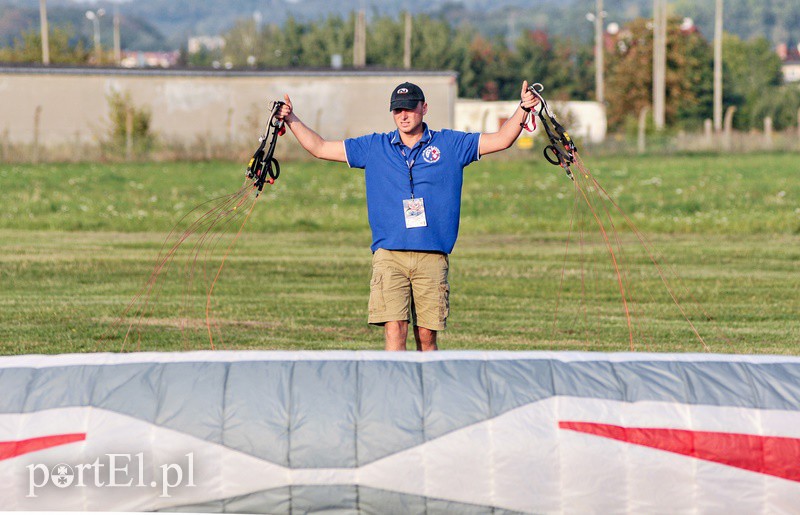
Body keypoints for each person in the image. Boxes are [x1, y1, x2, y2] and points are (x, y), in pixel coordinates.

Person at [277, 80, 539, 351]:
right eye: (397, 110)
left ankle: (428, 390)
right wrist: (291, 118)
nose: (403, 115)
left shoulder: (451, 144)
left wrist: (523, 108)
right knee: (395, 329)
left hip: (431, 255)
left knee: (426, 337)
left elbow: (501, 139)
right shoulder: (374, 146)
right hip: (389, 255)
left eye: (410, 109)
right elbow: (319, 148)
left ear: (424, 108)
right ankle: (397, 391)